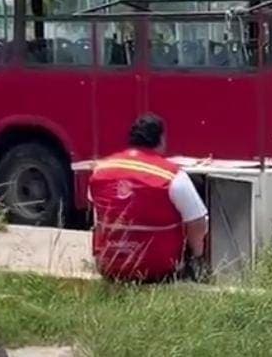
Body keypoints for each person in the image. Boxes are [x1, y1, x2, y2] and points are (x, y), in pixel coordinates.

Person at [88, 114, 209, 283]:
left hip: (110, 266)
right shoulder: (172, 175)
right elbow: (197, 222)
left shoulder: (100, 171)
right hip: (157, 269)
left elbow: (98, 216)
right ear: (161, 139)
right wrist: (197, 256)